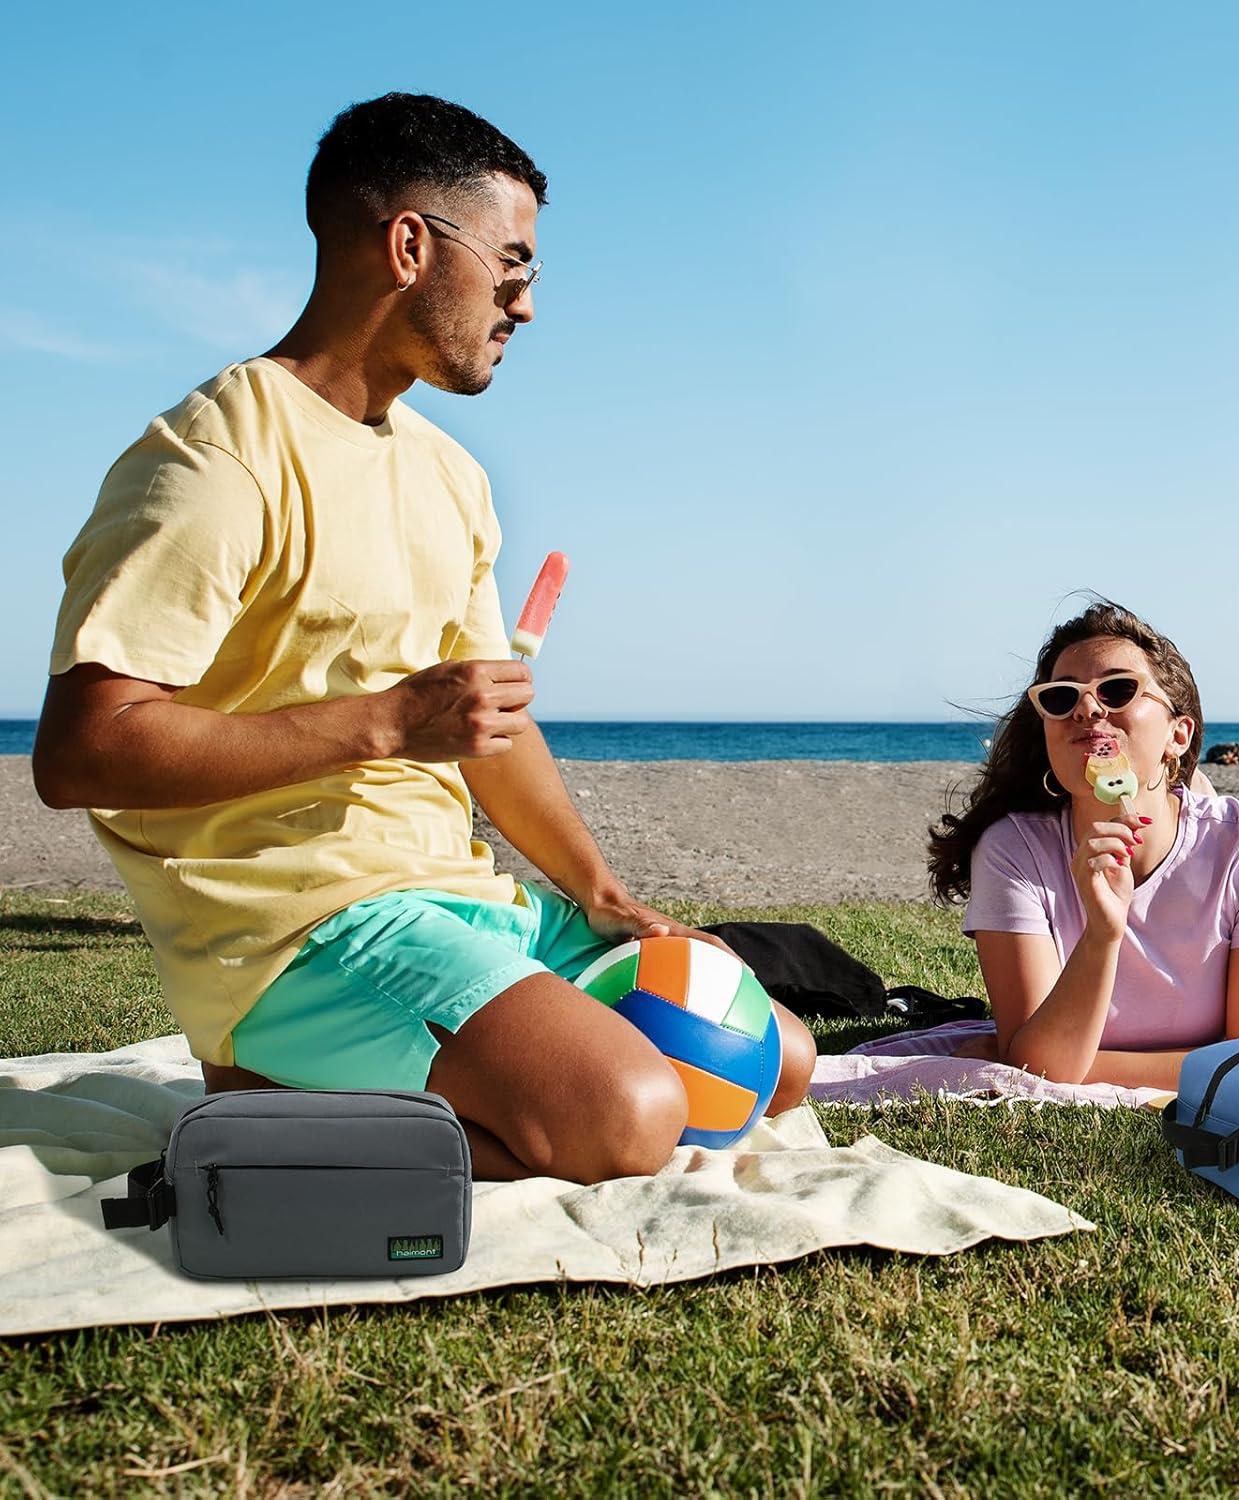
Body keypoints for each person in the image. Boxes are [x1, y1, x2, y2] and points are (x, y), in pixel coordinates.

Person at [32, 93, 814, 1182]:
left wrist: (600, 894)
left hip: (459, 903)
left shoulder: (451, 474)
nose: (525, 306)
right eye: (515, 266)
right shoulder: (214, 459)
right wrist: (390, 723)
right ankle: (260, 1090)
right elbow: (81, 753)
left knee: (775, 1061)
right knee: (629, 1118)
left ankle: (379, 1082)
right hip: (303, 932)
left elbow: (489, 725)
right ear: (410, 245)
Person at [928, 601, 1239, 1091]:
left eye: (1117, 689)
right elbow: (1038, 1066)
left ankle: (1211, 829)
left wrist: (1056, 1062)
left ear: (1179, 732)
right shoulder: (1012, 851)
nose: (1087, 707)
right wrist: (1103, 933)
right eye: (1063, 699)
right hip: (1205, 938)